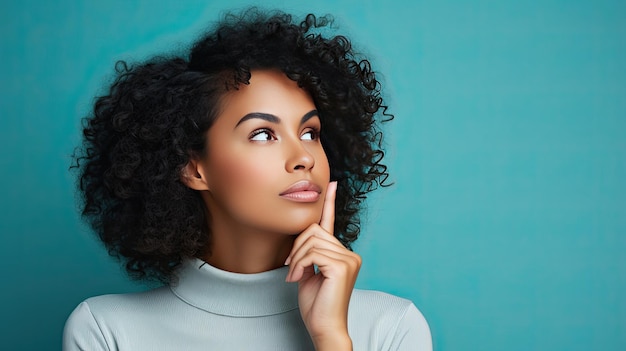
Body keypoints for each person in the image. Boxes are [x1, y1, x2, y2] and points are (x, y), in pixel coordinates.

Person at [64, 8, 432, 351]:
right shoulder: (106, 330)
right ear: (193, 168)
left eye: (310, 133)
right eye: (262, 134)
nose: (304, 158)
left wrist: (331, 337)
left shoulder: (390, 326)